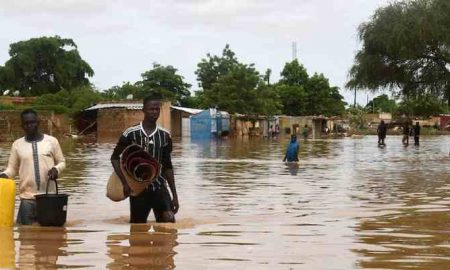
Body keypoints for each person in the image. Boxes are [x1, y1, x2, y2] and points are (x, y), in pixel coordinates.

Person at [111, 95, 179, 223]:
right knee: (137, 228)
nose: (154, 112)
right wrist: (125, 183)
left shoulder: (165, 135)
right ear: (143, 110)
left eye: (157, 109)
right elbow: (114, 158)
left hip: (159, 187)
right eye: (151, 109)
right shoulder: (130, 133)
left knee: (169, 222)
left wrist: (175, 196)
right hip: (138, 190)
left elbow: (167, 166)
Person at [0, 109, 66, 225]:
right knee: (25, 236)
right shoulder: (17, 145)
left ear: (38, 122)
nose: (29, 125)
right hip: (27, 199)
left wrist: (56, 169)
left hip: (49, 198)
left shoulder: (51, 141)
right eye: (26, 123)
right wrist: (3, 175)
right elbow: (12, 169)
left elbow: (62, 162)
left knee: (51, 236)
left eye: (32, 122)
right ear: (22, 126)